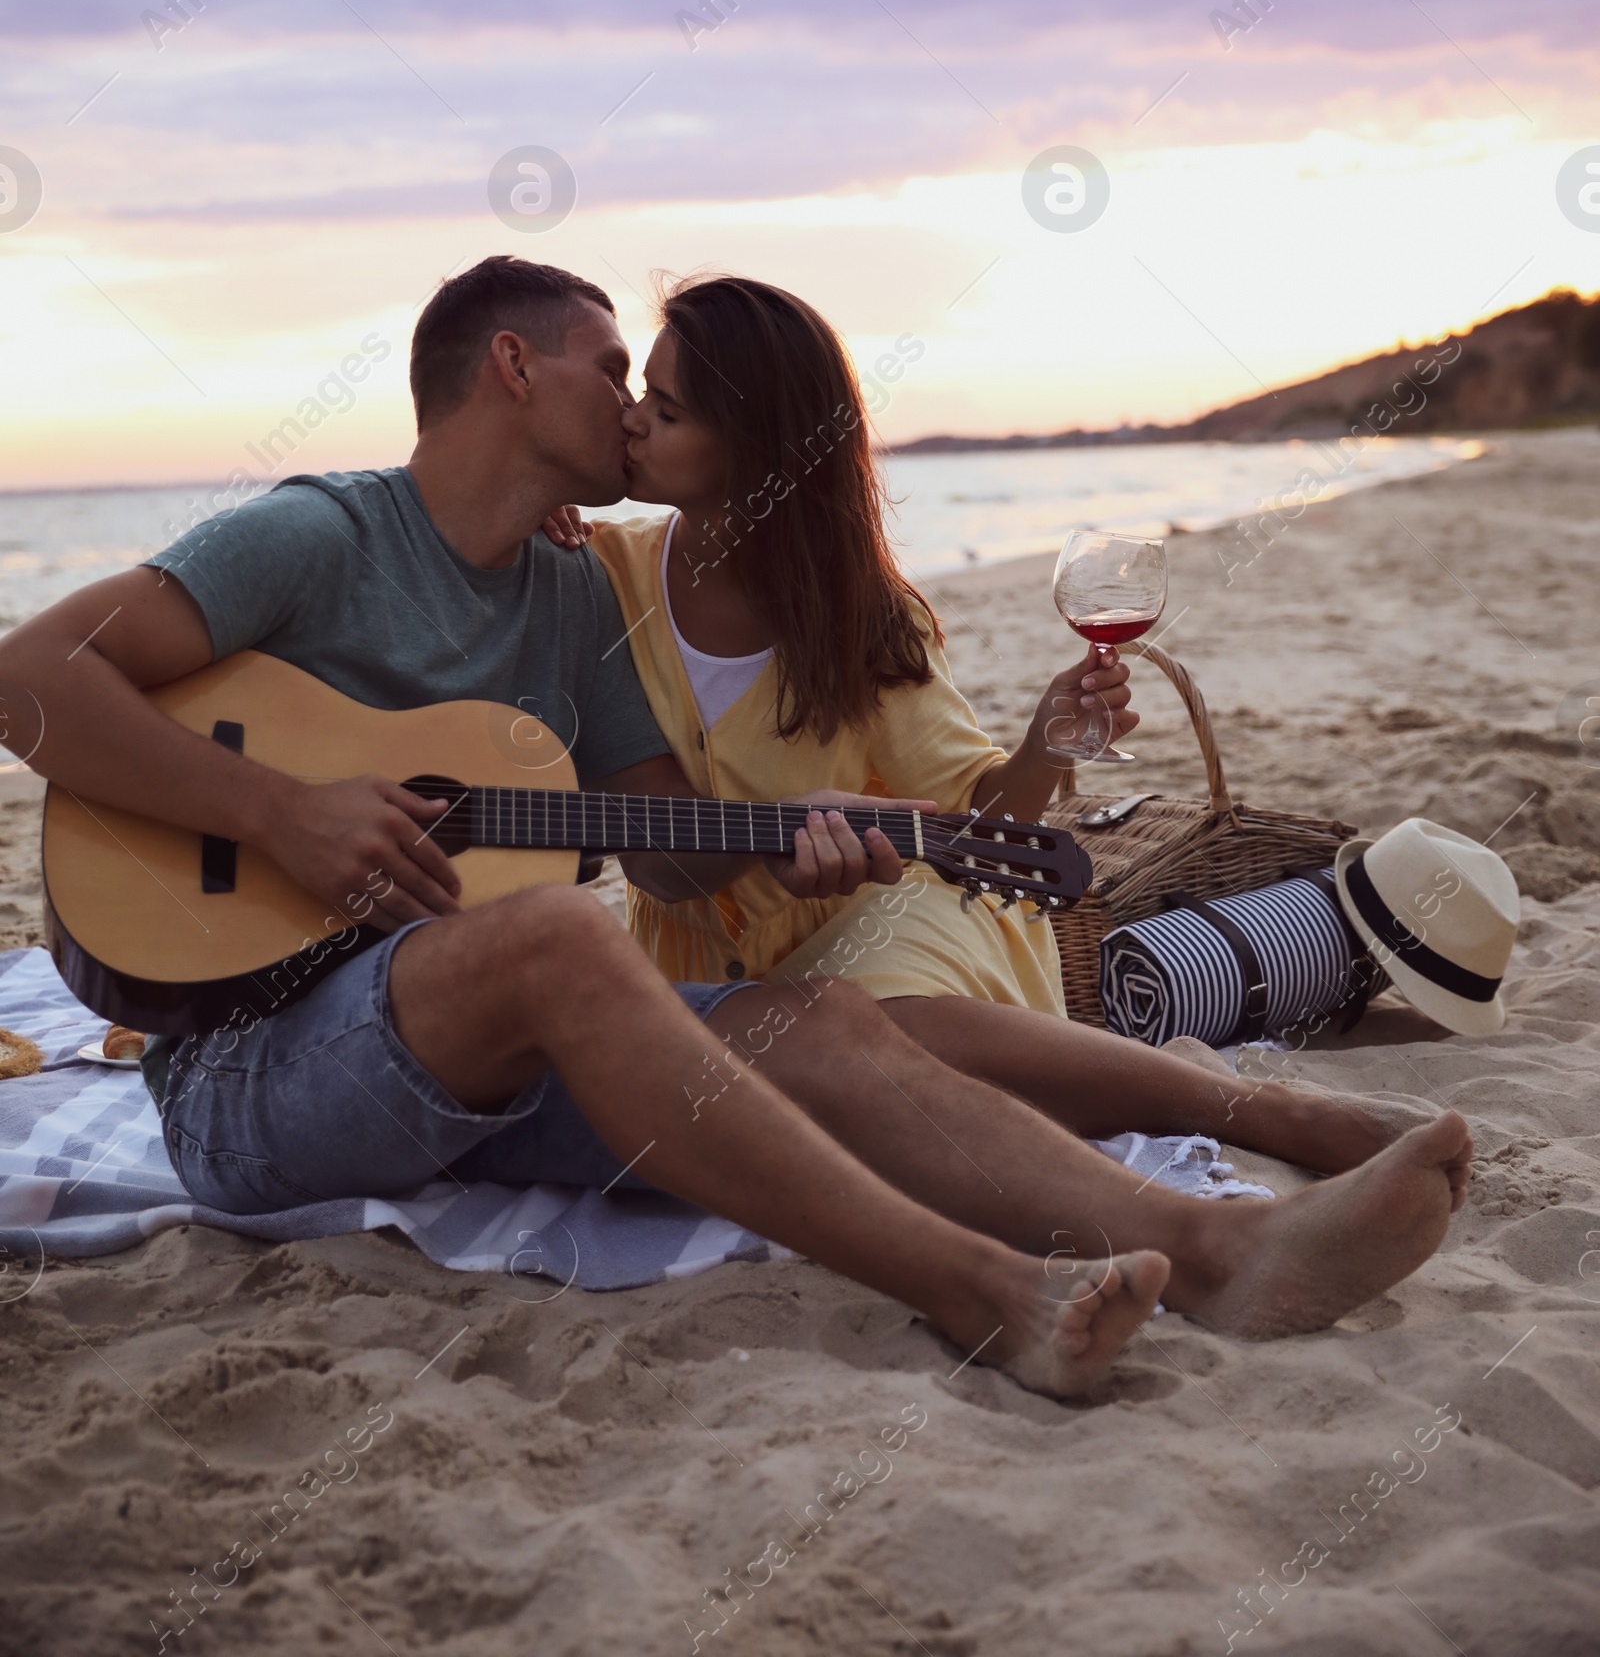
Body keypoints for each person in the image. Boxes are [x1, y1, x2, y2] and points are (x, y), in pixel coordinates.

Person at [0, 256, 1469, 1388]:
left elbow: (661, 842)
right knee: (560, 942)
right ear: (513, 368)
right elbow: (29, 676)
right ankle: (981, 1293)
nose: (632, 400)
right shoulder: (322, 536)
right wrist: (286, 812)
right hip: (250, 1075)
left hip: (454, 1070)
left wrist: (797, 833)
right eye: (609, 366)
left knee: (819, 1022)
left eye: (654, 382)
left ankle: (1222, 1251)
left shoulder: (573, 593)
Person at [552, 273, 1473, 1193]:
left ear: (756, 452)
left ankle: (1260, 1112)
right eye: (642, 397)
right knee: (811, 1050)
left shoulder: (866, 621)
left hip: (894, 919)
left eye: (666, 412)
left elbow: (984, 827)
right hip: (705, 969)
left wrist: (1046, 744)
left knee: (859, 1011)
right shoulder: (595, 579)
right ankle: (1192, 1093)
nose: (633, 421)